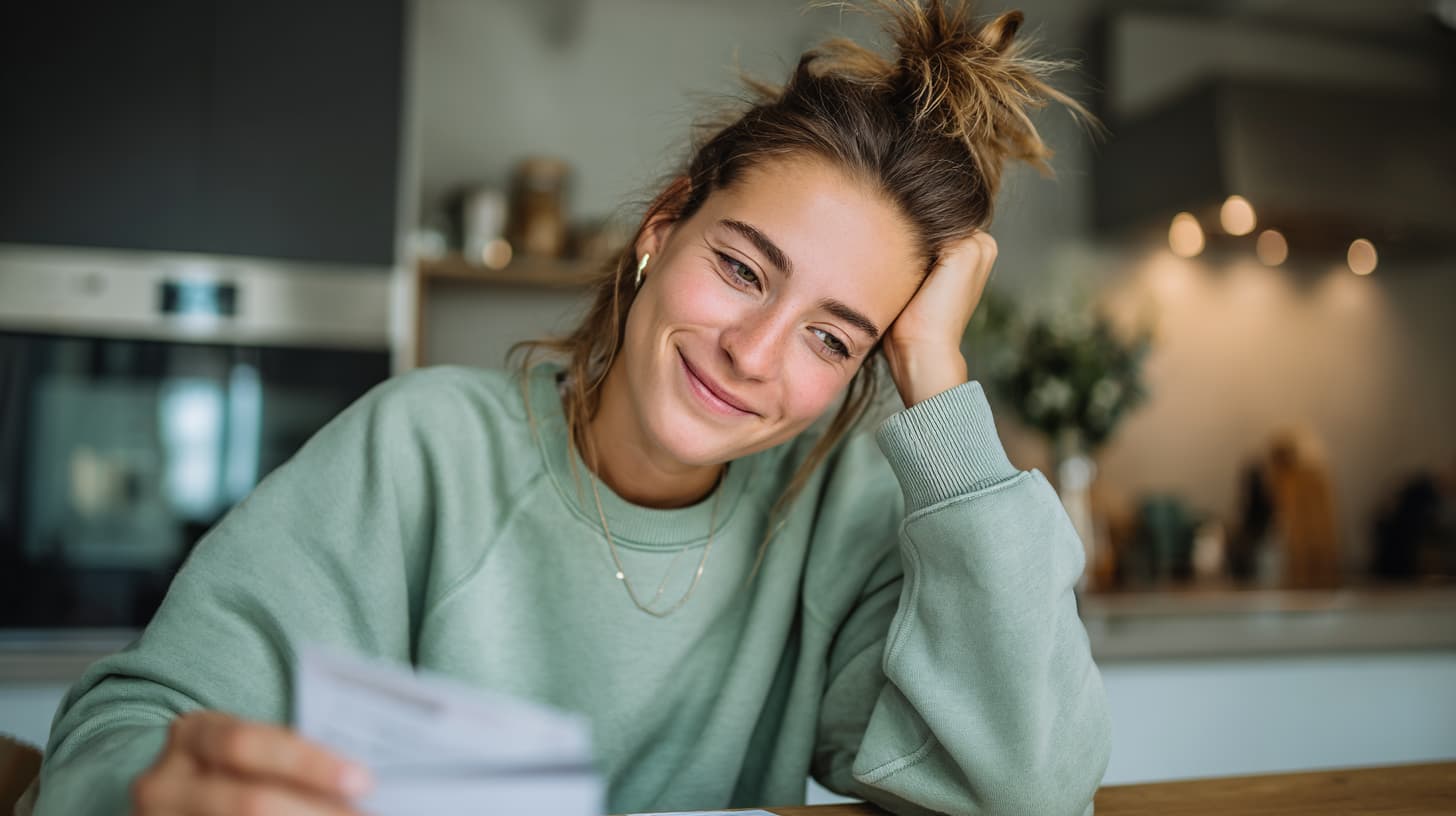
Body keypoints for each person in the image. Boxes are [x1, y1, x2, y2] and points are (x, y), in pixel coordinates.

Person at [30, 2, 1111, 814]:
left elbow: (1031, 794)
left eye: (834, 338)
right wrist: (152, 790)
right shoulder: (422, 452)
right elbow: (126, 729)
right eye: (742, 270)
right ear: (663, 228)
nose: (751, 354)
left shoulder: (843, 517)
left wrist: (936, 372)